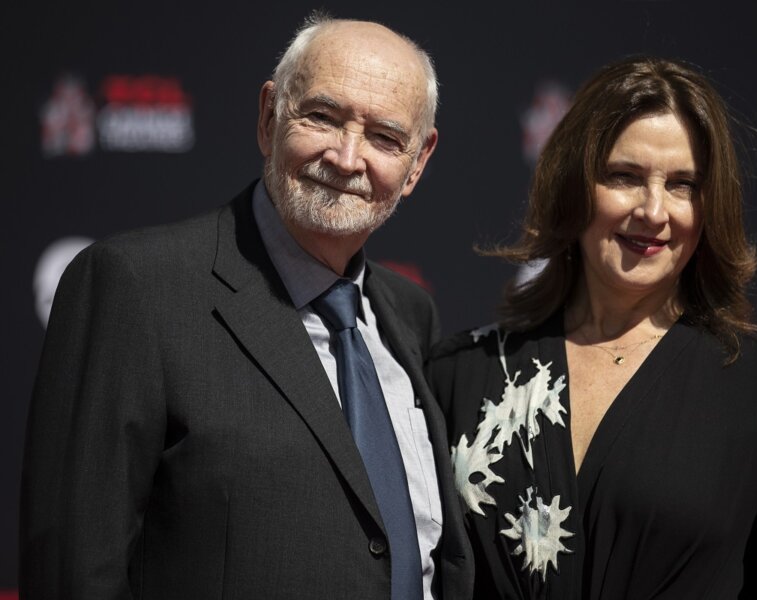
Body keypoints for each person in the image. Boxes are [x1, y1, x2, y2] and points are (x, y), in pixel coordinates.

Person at [20, 14, 473, 600]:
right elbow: (73, 574)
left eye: (385, 138)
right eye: (323, 116)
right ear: (269, 117)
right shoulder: (135, 288)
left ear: (417, 163)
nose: (347, 156)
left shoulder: (411, 315)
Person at [428, 56, 757, 599]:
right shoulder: (460, 375)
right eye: (624, 177)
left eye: (683, 185)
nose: (653, 211)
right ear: (574, 184)